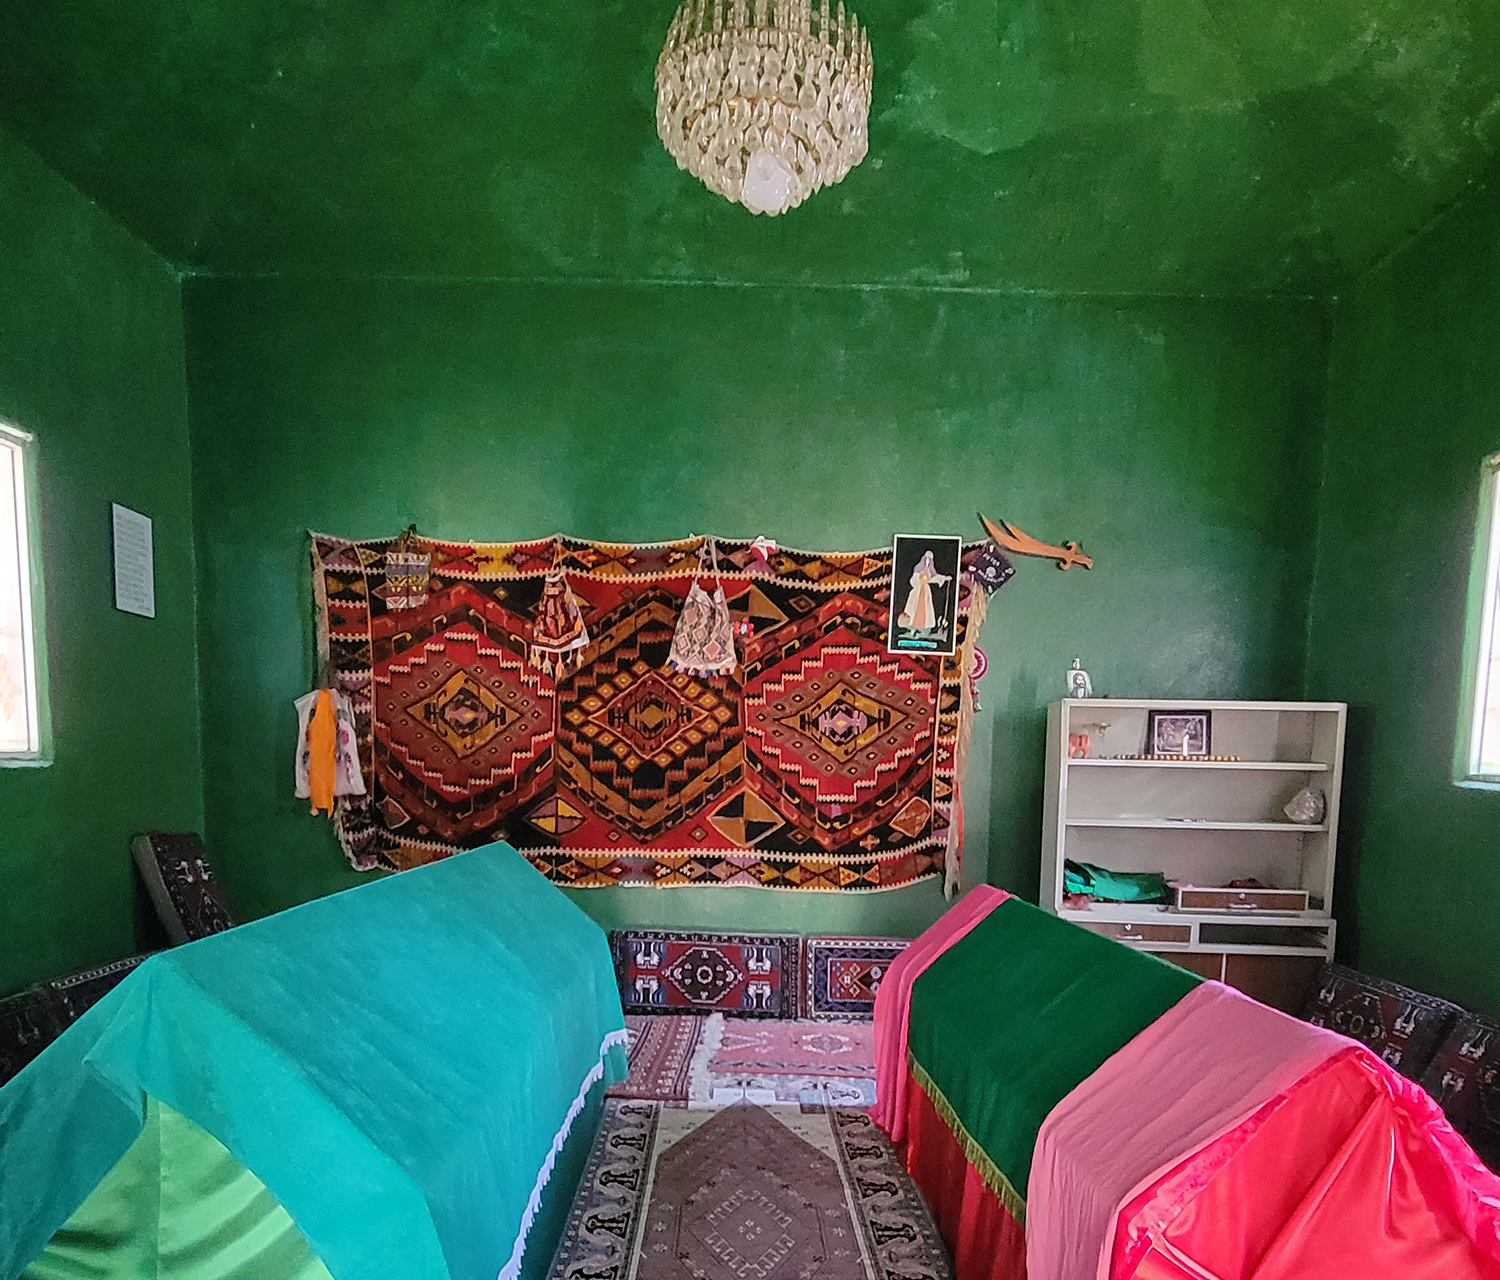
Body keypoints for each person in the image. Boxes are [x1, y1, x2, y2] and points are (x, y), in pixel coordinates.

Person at [898, 550, 951, 633]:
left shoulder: (929, 571)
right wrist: (920, 577)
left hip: (925, 591)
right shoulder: (918, 570)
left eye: (929, 560)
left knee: (925, 609)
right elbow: (913, 580)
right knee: (914, 608)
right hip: (918, 591)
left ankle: (922, 626)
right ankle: (913, 626)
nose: (927, 562)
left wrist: (945, 578)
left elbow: (935, 578)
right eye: (926, 559)